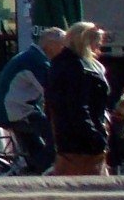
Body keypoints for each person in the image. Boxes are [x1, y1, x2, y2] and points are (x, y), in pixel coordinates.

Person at [46, 22, 113, 176]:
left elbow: (52, 105)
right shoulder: (80, 69)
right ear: (87, 44)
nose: (99, 51)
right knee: (94, 190)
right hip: (84, 145)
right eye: (97, 45)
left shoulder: (57, 65)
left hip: (66, 142)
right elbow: (79, 108)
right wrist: (97, 138)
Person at [0, 29, 64, 174]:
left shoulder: (30, 56)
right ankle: (45, 171)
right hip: (15, 111)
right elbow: (51, 90)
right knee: (54, 135)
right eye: (62, 45)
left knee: (35, 149)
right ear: (50, 45)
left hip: (15, 110)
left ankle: (32, 171)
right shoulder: (36, 61)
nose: (64, 50)